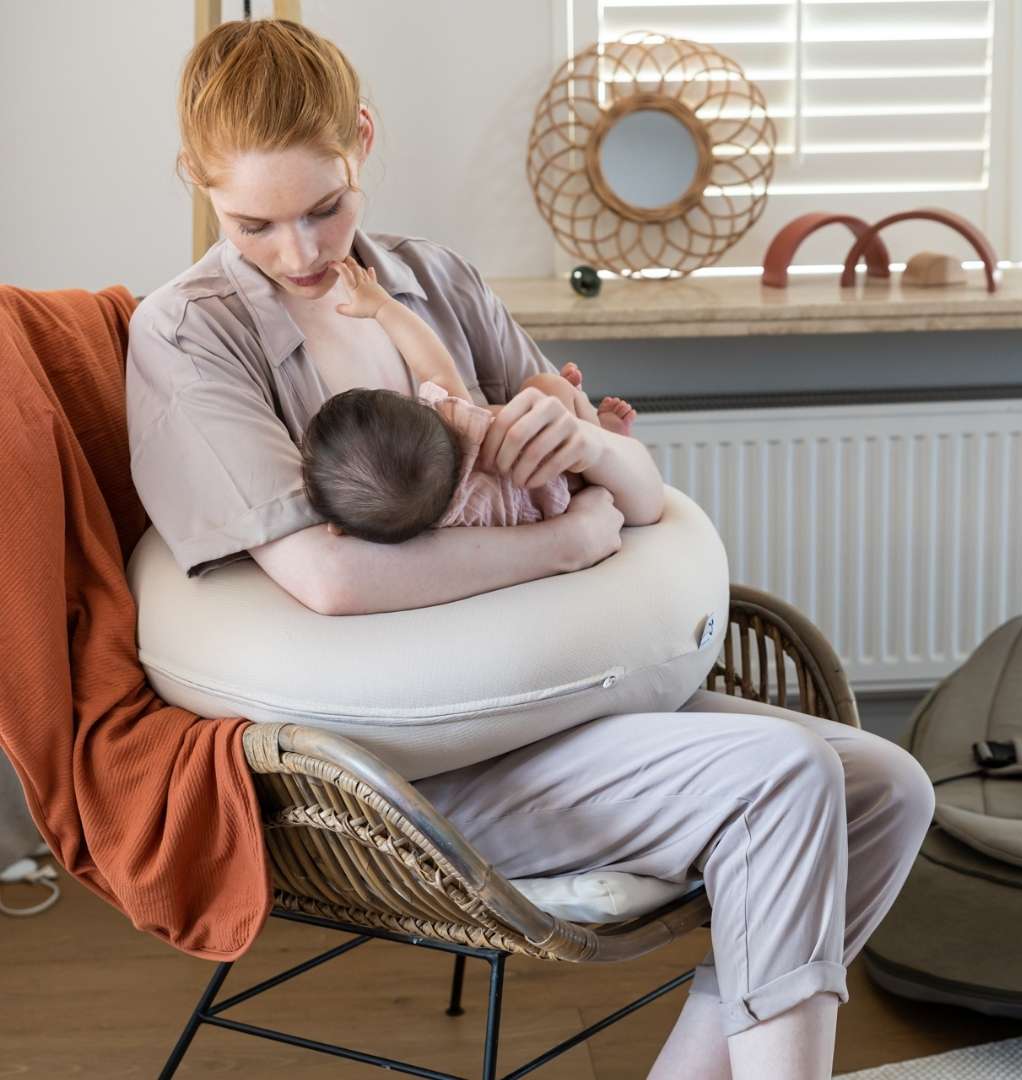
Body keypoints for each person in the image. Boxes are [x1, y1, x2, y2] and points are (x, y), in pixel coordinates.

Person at [125, 19, 936, 1079]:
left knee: (889, 786)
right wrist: (563, 542)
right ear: (196, 180)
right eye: (255, 224)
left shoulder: (438, 282)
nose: (303, 253)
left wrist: (583, 442)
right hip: (411, 762)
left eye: (326, 209)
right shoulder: (190, 334)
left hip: (571, 695)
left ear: (363, 140)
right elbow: (324, 576)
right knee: (785, 777)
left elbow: (630, 490)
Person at [300, 257, 638, 540]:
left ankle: (583, 420)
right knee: (544, 387)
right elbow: (432, 362)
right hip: (552, 460)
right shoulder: (455, 428)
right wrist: (382, 307)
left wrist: (346, 521)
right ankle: (595, 423)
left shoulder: (441, 526)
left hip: (552, 506)